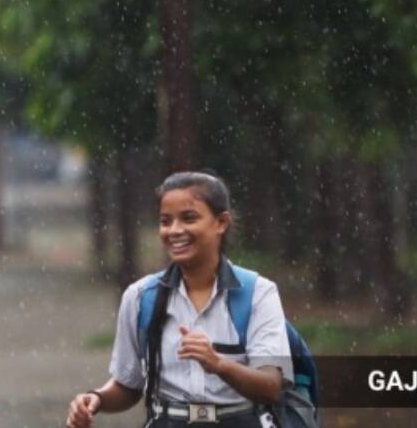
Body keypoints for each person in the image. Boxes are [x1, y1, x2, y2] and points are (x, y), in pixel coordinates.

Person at [66, 171, 293, 428]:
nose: (174, 230)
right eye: (165, 221)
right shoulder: (140, 297)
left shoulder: (258, 293)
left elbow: (271, 386)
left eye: (189, 218)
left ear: (221, 222)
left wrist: (219, 364)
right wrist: (95, 399)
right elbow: (128, 386)